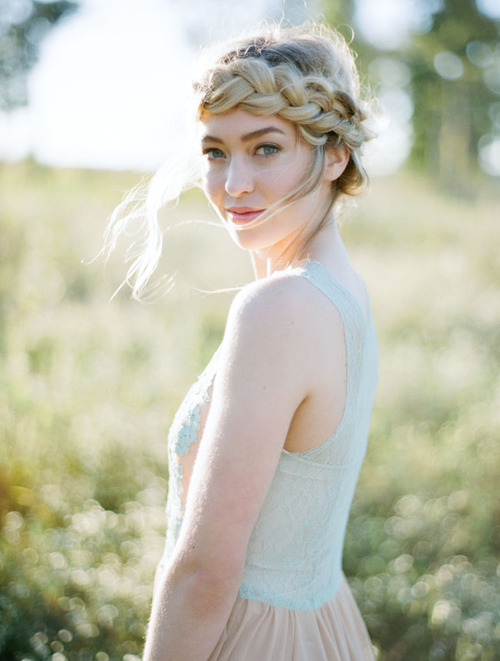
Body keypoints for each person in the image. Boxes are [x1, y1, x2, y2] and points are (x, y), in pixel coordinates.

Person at [107, 22, 378, 661]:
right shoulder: (340, 289)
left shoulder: (280, 307)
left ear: (333, 154)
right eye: (214, 152)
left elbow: (207, 568)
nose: (232, 186)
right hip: (322, 622)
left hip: (254, 638)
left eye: (264, 148)